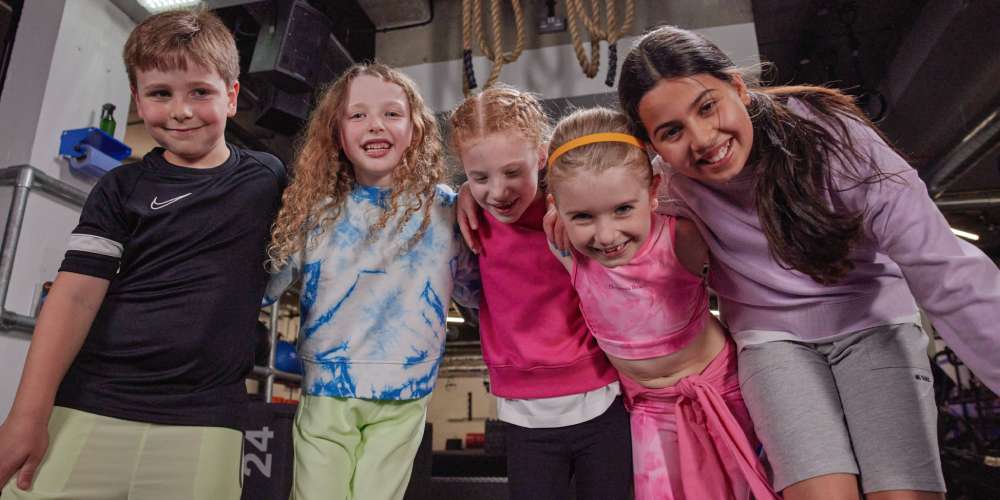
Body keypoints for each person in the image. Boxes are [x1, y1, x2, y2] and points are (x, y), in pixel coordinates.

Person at [609, 24, 1000, 500]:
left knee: (903, 493)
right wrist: (560, 221)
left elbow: (945, 268)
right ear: (651, 145)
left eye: (707, 106)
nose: (703, 138)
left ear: (737, 87)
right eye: (672, 132)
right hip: (772, 341)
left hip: (873, 321)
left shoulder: (834, 140)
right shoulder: (665, 186)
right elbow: (589, 195)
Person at [0, 9, 285, 499]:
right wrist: (27, 414)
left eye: (200, 91)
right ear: (137, 99)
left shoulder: (267, 177)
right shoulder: (120, 187)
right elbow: (74, 299)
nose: (180, 110)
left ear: (232, 97)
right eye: (160, 94)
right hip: (89, 403)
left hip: (205, 421)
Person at [265, 62, 480, 500]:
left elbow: (478, 293)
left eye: (391, 113)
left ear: (415, 129)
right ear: (337, 132)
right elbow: (264, 289)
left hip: (404, 391)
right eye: (357, 114)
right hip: (327, 388)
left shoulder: (446, 211)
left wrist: (487, 197)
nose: (375, 125)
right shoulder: (313, 212)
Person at [542, 106, 776, 500]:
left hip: (721, 394)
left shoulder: (681, 237)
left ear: (652, 191)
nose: (606, 234)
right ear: (557, 209)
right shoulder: (565, 248)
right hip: (647, 407)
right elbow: (502, 196)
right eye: (582, 216)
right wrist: (464, 192)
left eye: (623, 209)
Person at [451, 85, 632, 500]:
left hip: (602, 400)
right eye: (480, 177)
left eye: (513, 172)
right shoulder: (470, 212)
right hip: (523, 415)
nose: (498, 191)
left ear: (541, 154)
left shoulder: (574, 208)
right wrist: (464, 192)